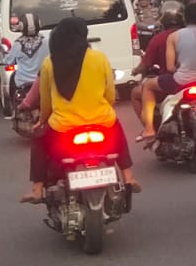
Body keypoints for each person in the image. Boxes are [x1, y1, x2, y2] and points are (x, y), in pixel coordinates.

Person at [21, 18, 138, 203]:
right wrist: (103, 108)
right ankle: (129, 177)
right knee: (119, 135)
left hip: (63, 127)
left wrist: (41, 121)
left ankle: (37, 188)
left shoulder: (49, 63)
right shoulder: (99, 58)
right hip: (101, 122)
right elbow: (109, 93)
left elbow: (46, 103)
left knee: (38, 140)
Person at [137, 1, 196, 141]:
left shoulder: (174, 37)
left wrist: (184, 69)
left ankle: (149, 129)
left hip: (181, 82)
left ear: (185, 18)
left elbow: (170, 68)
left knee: (148, 86)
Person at [2, 13, 49, 102]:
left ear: (21, 27)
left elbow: (8, 61)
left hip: (22, 82)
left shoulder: (18, 44)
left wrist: (5, 57)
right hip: (42, 81)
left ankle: (14, 109)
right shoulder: (46, 41)